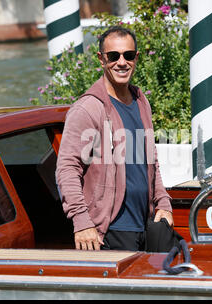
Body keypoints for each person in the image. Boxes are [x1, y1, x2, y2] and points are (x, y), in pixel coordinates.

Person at [56, 26, 173, 250]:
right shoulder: (88, 108)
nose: (122, 62)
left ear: (136, 58)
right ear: (101, 59)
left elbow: (151, 161)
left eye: (128, 55)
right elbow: (67, 168)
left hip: (145, 225)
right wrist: (81, 222)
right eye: (113, 56)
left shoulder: (141, 101)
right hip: (111, 230)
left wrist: (163, 201)